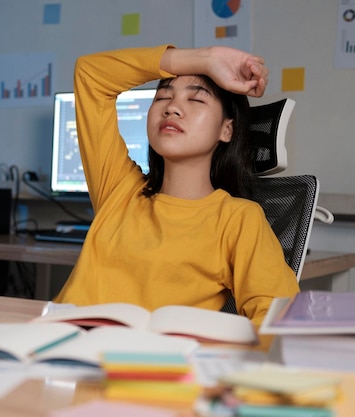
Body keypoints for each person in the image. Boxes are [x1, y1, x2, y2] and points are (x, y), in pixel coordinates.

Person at [53, 45, 299, 326]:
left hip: (142, 363)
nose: (171, 108)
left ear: (226, 129)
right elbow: (91, 74)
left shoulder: (238, 219)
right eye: (162, 97)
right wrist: (205, 60)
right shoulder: (119, 191)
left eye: (196, 100)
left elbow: (278, 316)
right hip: (56, 346)